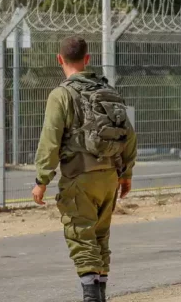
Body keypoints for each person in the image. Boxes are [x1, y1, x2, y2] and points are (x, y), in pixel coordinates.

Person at [31, 36, 137, 302]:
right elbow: (129, 135)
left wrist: (42, 179)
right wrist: (126, 175)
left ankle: (91, 298)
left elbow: (50, 139)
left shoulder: (61, 95)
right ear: (87, 59)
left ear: (60, 59)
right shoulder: (108, 91)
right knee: (100, 238)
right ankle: (100, 296)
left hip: (80, 178)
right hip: (109, 177)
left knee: (82, 238)